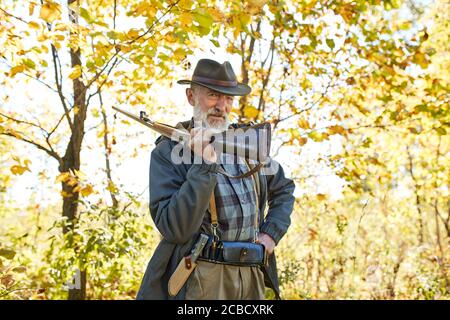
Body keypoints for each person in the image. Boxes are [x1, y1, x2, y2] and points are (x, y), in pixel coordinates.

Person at [136, 58, 295, 300]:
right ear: (191, 96)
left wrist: (270, 234)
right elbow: (175, 229)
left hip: (251, 274)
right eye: (213, 95)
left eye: (228, 98)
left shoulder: (244, 145)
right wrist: (204, 165)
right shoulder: (168, 152)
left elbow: (284, 189)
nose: (221, 105)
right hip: (202, 276)